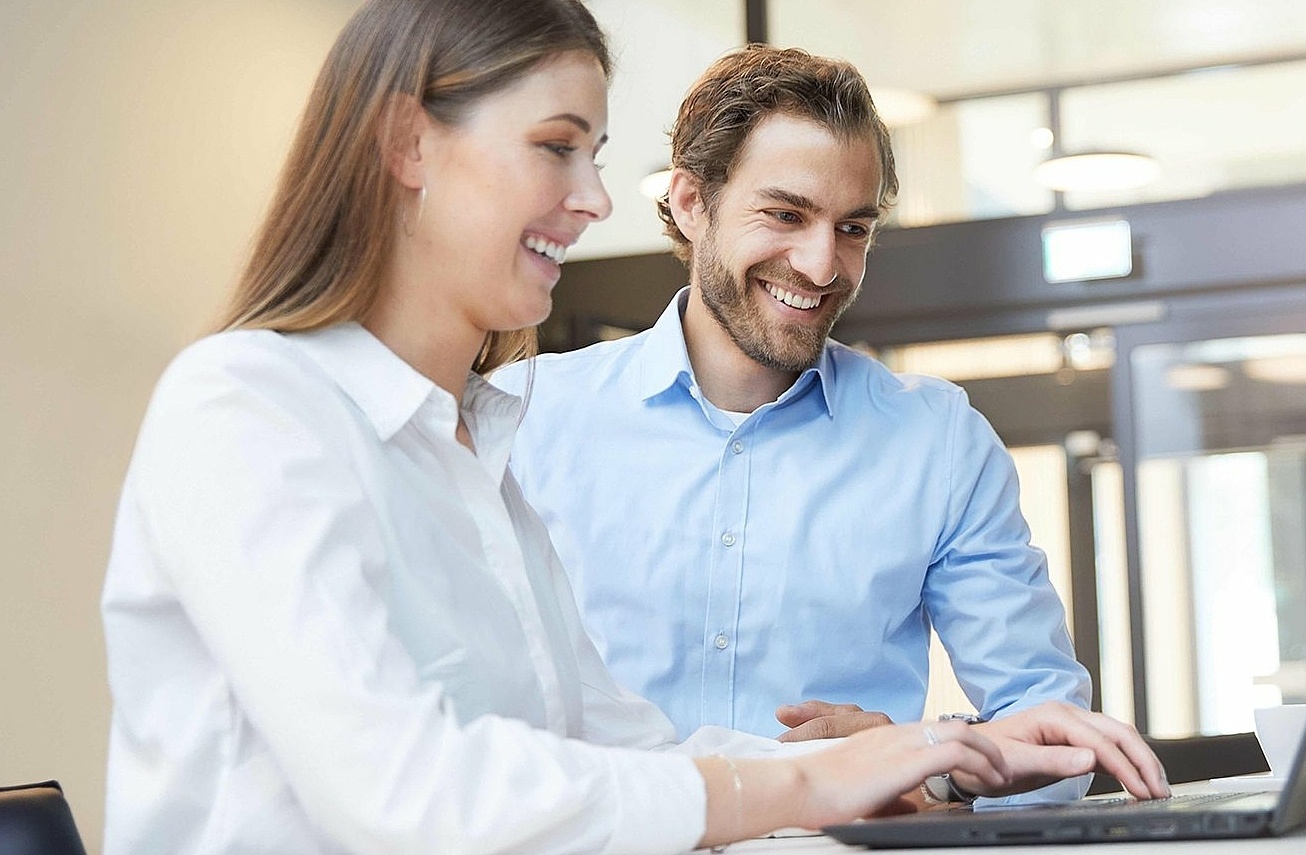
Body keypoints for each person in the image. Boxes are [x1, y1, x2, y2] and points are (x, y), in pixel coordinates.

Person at [100, 1, 1168, 852]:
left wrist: (918, 754)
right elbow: (404, 790)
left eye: (595, 153)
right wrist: (811, 776)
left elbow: (618, 746)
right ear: (406, 144)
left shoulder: (469, 446)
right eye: (558, 148)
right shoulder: (246, 405)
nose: (594, 198)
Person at [495, 45, 1097, 800]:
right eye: (785, 214)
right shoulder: (523, 418)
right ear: (690, 201)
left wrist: (923, 763)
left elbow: (1052, 735)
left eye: (854, 228)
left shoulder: (937, 441)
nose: (820, 264)